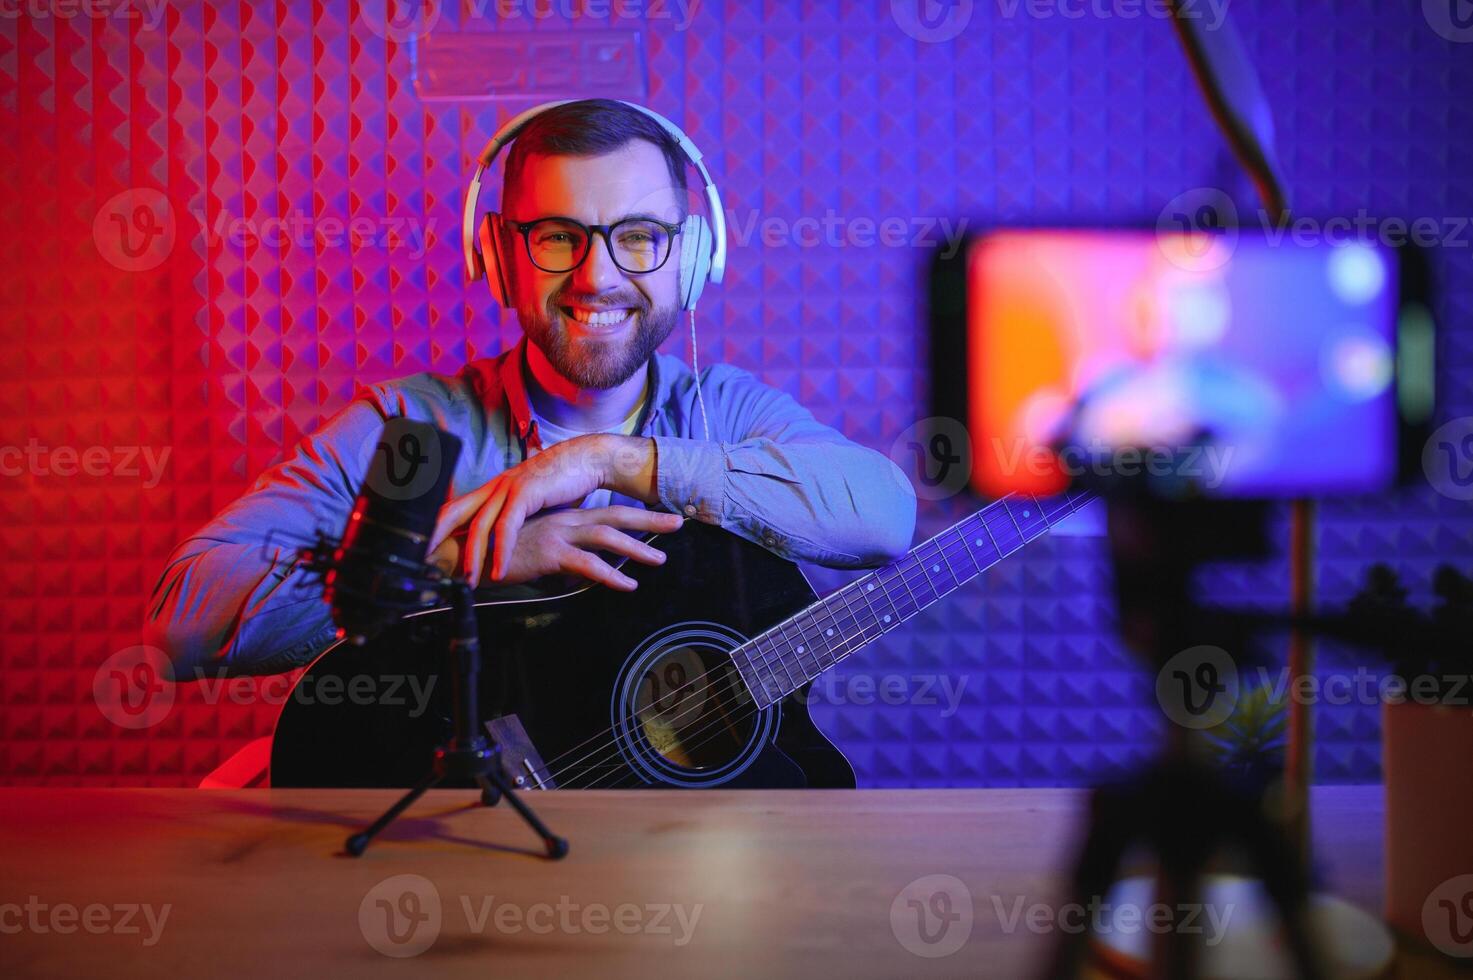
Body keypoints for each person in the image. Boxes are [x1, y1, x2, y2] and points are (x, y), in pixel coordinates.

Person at [144, 99, 916, 679]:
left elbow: (882, 515)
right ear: (499, 256)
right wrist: (456, 557)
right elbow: (184, 626)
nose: (597, 277)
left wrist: (604, 460)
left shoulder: (723, 412)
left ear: (692, 259)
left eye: (640, 237)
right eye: (556, 236)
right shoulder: (412, 433)